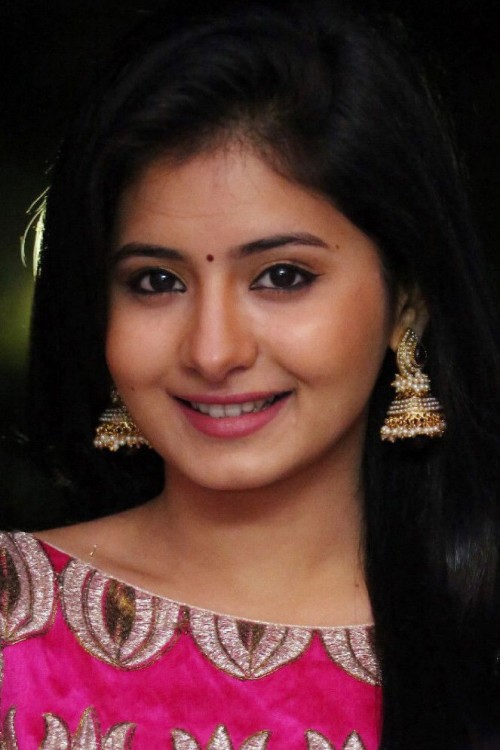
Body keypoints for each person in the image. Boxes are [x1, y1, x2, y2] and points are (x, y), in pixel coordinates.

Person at [1, 1, 499, 748]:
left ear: (407, 302)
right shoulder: (15, 625)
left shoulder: (477, 647)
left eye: (283, 276)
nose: (212, 351)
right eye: (156, 282)